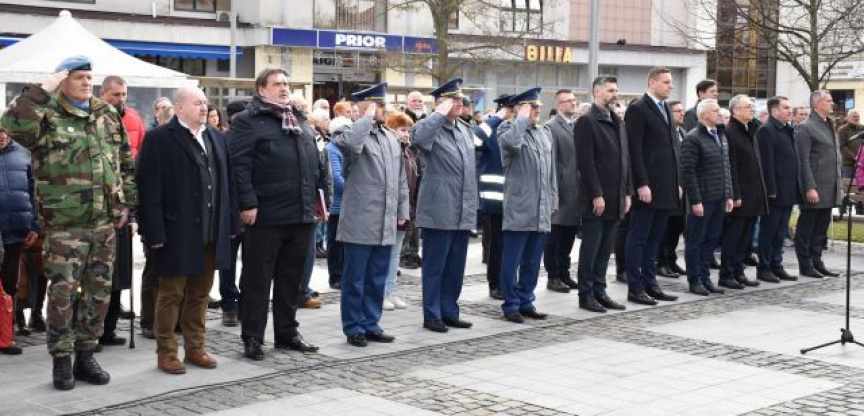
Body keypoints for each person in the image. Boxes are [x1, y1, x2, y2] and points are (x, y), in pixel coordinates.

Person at [0, 55, 137, 390]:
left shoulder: (106, 113)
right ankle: (61, 359)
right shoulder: (47, 113)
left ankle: (86, 355)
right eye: (78, 77)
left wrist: (127, 204)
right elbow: (13, 125)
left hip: (103, 222)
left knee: (98, 294)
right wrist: (42, 89)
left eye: (89, 77)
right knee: (62, 294)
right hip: (65, 225)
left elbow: (124, 160)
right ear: (63, 81)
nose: (86, 82)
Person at [137, 86, 238, 374]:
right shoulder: (159, 138)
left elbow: (227, 181)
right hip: (176, 231)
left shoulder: (215, 136)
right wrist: (153, 231)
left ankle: (195, 348)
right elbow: (148, 188)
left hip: (210, 230)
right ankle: (167, 352)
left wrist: (231, 222)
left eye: (205, 102)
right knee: (171, 294)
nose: (204, 107)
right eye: (197, 103)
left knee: (200, 293)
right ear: (179, 107)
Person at [231, 67, 324, 360]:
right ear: (261, 89)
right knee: (257, 281)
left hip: (300, 214)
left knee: (290, 280)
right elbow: (239, 165)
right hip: (266, 215)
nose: (284, 88)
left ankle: (287, 333)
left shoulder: (298, 118)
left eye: (286, 83)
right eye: (277, 84)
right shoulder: (248, 120)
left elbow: (313, 162)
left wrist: (319, 200)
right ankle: (253, 337)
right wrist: (247, 203)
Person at [332, 83, 408, 347]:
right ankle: (353, 326)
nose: (383, 109)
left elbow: (400, 178)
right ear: (364, 108)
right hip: (360, 220)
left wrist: (402, 210)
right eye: (378, 105)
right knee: (355, 279)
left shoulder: (389, 137)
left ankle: (371, 323)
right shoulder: (351, 133)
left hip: (385, 219)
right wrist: (365, 118)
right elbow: (349, 145)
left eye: (383, 105)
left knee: (377, 277)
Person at [410, 78, 478, 333]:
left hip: (462, 210)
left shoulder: (464, 129)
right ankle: (432, 314)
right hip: (439, 209)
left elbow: (469, 171)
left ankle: (449, 310)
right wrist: (438, 114)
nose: (460, 103)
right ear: (440, 104)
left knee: (455, 268)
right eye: (453, 99)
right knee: (434, 267)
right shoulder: (428, 126)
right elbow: (418, 139)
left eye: (461, 99)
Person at [496, 88, 557, 323]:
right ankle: (510, 304)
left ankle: (526, 301)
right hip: (520, 207)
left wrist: (553, 199)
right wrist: (520, 119)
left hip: (541, 207)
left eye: (538, 106)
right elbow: (511, 144)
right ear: (520, 108)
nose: (537, 109)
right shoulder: (507, 129)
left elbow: (551, 170)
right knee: (512, 261)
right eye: (532, 106)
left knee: (532, 261)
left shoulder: (544, 132)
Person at [623, 67, 681, 306]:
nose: (671, 86)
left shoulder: (665, 108)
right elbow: (634, 150)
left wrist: (677, 181)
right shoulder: (638, 108)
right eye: (666, 82)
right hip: (647, 187)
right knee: (638, 239)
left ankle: (651, 283)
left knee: (655, 239)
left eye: (671, 82)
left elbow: (673, 147)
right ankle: (635, 287)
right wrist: (641, 183)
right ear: (652, 83)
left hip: (666, 186)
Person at [575, 76, 632, 313]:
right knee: (591, 249)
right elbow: (585, 163)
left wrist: (627, 192)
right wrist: (596, 194)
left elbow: (625, 160)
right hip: (596, 199)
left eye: (616, 90)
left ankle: (600, 290)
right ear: (597, 92)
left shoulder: (617, 121)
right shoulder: (587, 122)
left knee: (605, 250)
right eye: (610, 90)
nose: (614, 94)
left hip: (616, 197)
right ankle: (586, 294)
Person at [98, 75, 145, 350]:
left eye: (124, 94)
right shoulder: (91, 119)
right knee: (96, 277)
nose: (121, 99)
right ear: (103, 93)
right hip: (97, 213)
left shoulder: (132, 120)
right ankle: (90, 332)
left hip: (121, 213)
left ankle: (109, 328)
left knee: (118, 277)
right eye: (116, 94)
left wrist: (133, 213)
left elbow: (131, 170)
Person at [681, 99, 734, 296]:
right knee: (696, 241)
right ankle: (694, 280)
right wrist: (695, 201)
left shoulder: (719, 135)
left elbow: (725, 167)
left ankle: (705, 278)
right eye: (714, 111)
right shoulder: (693, 138)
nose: (719, 113)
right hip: (702, 199)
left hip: (718, 197)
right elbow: (688, 172)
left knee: (711, 240)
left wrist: (728, 195)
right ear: (703, 115)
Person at [719, 95, 766, 289]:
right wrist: (735, 194)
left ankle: (738, 272)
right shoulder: (730, 132)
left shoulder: (750, 130)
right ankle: (727, 274)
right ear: (736, 110)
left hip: (754, 194)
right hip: (741, 195)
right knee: (733, 237)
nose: (752, 109)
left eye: (753, 106)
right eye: (748, 106)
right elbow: (730, 166)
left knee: (745, 239)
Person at [795, 90, 843, 278]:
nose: (832, 103)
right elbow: (803, 161)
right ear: (817, 104)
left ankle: (817, 261)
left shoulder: (829, 124)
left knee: (821, 229)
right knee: (807, 228)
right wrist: (809, 187)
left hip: (829, 185)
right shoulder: (806, 127)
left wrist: (838, 185)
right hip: (815, 186)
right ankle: (805, 264)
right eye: (828, 101)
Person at [0, 128, 39, 349]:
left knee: (10, 284)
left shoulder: (23, 154)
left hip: (16, 230)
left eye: (4, 131)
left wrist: (34, 224)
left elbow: (34, 192)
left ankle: (6, 335)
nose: (1, 136)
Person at [756, 96, 799, 283]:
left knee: (781, 232)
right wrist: (771, 189)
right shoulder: (767, 130)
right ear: (774, 111)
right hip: (775, 191)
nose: (790, 110)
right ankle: (764, 267)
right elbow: (766, 162)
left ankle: (776, 264)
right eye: (786, 107)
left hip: (788, 189)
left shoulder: (788, 129)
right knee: (769, 231)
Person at [474, 94, 512, 300]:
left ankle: (507, 282)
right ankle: (495, 284)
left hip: (514, 198)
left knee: (510, 245)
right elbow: (476, 137)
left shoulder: (515, 129)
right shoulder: (492, 129)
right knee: (497, 245)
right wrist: (496, 118)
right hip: (494, 198)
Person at [542, 89, 580, 293]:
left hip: (575, 191)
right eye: (568, 101)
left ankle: (565, 272)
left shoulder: (576, 125)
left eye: (574, 100)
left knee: (569, 236)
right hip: (560, 191)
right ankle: (553, 275)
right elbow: (552, 163)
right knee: (554, 237)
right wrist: (553, 193)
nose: (573, 103)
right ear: (559, 105)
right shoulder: (551, 127)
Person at [383, 111, 417, 310]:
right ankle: (382, 293)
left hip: (406, 210)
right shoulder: (391, 152)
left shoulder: (408, 152)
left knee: (395, 255)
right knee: (387, 255)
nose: (406, 134)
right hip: (392, 211)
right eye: (402, 130)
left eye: (408, 131)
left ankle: (391, 290)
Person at [656, 100, 688, 278]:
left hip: (683, 188)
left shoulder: (683, 132)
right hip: (670, 187)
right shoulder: (666, 133)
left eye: (683, 111)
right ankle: (661, 262)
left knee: (676, 227)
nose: (682, 114)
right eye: (678, 111)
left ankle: (671, 259)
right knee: (665, 228)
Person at [326, 102, 353, 290]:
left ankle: (345, 274)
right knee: (335, 243)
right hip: (337, 205)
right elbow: (336, 178)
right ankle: (336, 277)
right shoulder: (332, 149)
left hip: (349, 204)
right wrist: (355, 190)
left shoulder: (348, 149)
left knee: (346, 243)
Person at [837, 110, 863, 179]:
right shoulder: (842, 130)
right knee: (847, 183)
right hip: (848, 164)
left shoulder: (862, 128)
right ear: (848, 118)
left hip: (861, 164)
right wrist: (855, 157)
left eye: (858, 117)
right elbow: (841, 146)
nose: (856, 118)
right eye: (854, 117)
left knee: (860, 184)